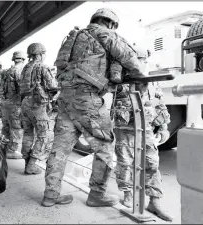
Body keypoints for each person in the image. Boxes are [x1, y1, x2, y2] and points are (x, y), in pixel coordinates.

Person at [42, 8, 147, 208]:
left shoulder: (72, 38)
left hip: (65, 99)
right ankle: (96, 194)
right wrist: (138, 74)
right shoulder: (103, 33)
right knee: (105, 146)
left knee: (60, 149)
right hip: (87, 98)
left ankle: (50, 195)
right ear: (111, 23)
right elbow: (128, 57)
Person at [113, 46, 172, 221]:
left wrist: (164, 127)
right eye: (138, 59)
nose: (141, 63)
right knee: (125, 162)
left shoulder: (153, 80)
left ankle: (154, 201)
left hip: (146, 129)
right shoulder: (121, 81)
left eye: (144, 59)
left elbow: (160, 104)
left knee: (152, 163)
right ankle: (128, 194)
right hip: (125, 129)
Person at [20, 43, 58, 175]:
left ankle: (26, 162)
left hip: (24, 103)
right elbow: (52, 86)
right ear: (40, 54)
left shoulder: (25, 68)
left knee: (28, 134)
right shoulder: (42, 67)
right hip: (37, 104)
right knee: (44, 135)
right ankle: (31, 164)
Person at [0, 51, 26, 159]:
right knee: (16, 128)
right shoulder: (19, 70)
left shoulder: (7, 71)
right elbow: (22, 88)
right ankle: (11, 151)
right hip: (15, 104)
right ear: (23, 59)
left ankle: (4, 148)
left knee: (6, 127)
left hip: (5, 103)